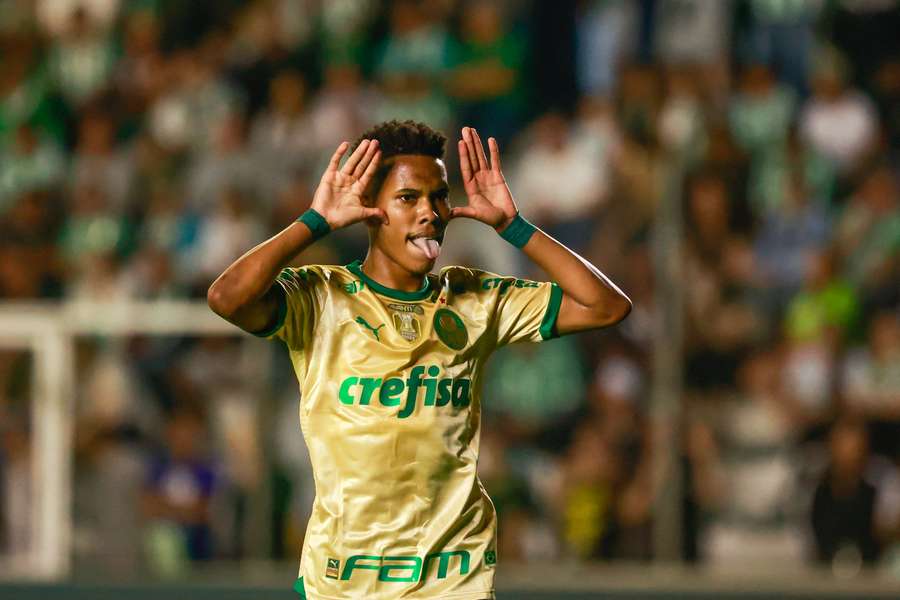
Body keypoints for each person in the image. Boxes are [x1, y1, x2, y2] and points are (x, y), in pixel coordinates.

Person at [207, 120, 631, 599]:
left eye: (439, 197)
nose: (430, 213)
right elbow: (227, 298)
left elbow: (606, 305)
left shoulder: (474, 298)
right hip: (344, 583)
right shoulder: (322, 297)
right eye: (409, 198)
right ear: (369, 208)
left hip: (452, 581)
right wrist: (315, 221)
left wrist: (514, 227)